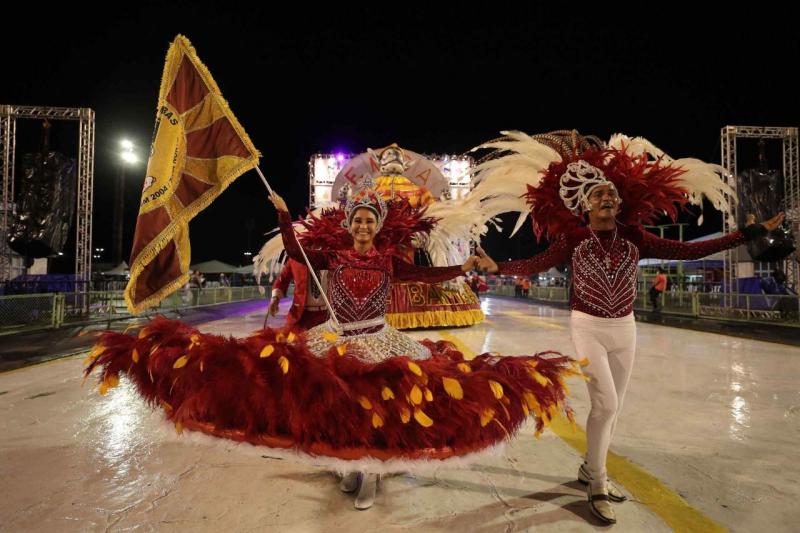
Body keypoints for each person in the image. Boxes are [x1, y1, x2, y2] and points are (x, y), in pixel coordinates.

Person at [86, 178, 580, 512]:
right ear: (348, 225)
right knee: (332, 405)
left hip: (379, 340)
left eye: (370, 221)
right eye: (358, 221)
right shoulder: (329, 255)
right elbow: (297, 248)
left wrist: (464, 267)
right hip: (337, 339)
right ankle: (348, 464)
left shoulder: (390, 262)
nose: (364, 227)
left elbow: (429, 273)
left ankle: (368, 470)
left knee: (376, 410)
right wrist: (282, 216)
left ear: (378, 227)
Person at [472, 130, 784, 525]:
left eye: (612, 194)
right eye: (599, 194)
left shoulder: (635, 237)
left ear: (619, 204)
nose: (607, 198)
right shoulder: (573, 239)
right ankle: (597, 481)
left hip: (625, 328)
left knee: (612, 409)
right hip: (587, 326)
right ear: (583, 204)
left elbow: (690, 250)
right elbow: (536, 263)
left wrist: (746, 234)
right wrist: (500, 266)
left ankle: (589, 467)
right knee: (606, 404)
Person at [268, 258, 329, 329]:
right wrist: (275, 298)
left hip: (326, 317)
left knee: (330, 338)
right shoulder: (295, 259)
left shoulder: (331, 258)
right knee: (291, 338)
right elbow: (283, 279)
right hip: (300, 316)